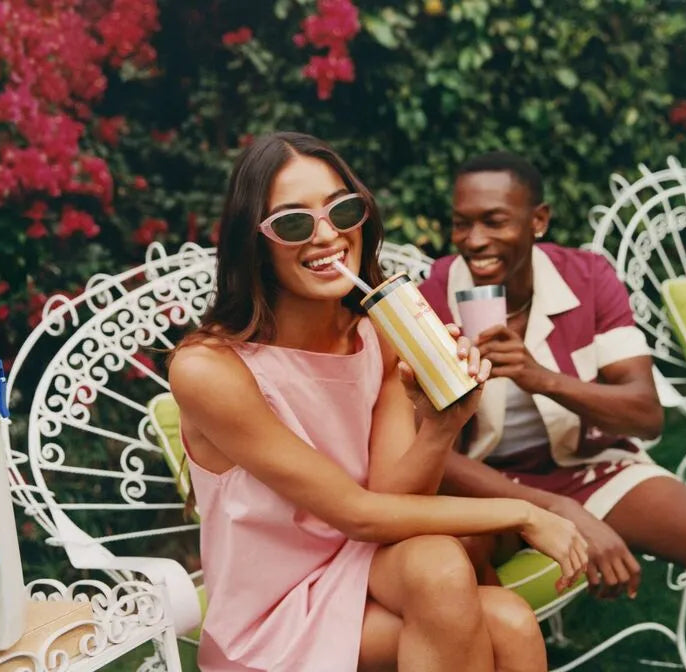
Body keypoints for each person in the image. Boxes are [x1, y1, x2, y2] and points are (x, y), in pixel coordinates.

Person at [168, 133, 589, 672]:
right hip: (272, 617)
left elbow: (394, 496)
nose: (327, 236)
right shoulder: (210, 368)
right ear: (256, 243)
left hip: (360, 568)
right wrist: (527, 512)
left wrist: (443, 421)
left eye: (342, 211)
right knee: (501, 620)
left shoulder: (378, 335)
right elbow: (359, 514)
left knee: (480, 594)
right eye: (294, 222)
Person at [419, 151, 686, 672]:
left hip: (592, 467)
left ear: (538, 221)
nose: (474, 240)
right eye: (462, 223)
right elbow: (431, 454)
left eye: (494, 221)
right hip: (491, 484)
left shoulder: (588, 277)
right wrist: (559, 512)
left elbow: (644, 414)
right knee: (458, 547)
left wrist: (539, 377)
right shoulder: (431, 298)